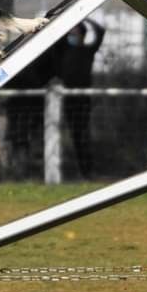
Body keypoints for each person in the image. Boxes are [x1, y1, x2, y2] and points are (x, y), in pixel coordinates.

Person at [58, 19, 105, 178]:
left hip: (82, 100)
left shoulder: (88, 51)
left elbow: (100, 31)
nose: (72, 35)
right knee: (69, 135)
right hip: (66, 98)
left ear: (82, 35)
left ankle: (87, 171)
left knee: (81, 135)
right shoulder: (64, 50)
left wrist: (83, 17)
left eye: (75, 32)